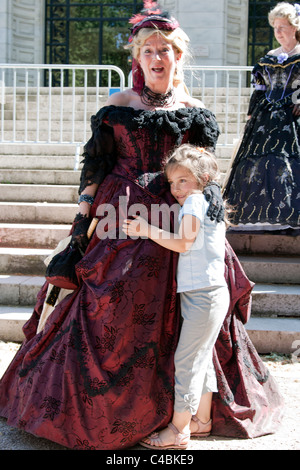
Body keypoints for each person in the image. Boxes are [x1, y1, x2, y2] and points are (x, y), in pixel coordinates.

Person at [0, 3, 283, 450]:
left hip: (174, 220)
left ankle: (180, 415)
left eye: (164, 50)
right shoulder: (118, 105)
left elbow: (205, 173)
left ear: (177, 56)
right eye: (148, 50)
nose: (156, 57)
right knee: (103, 303)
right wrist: (83, 216)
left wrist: (211, 221)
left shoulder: (195, 112)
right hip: (120, 216)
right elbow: (97, 164)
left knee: (181, 313)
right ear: (138, 58)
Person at [122, 144, 230, 450]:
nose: (177, 188)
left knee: (186, 361)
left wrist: (146, 228)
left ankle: (179, 430)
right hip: (208, 292)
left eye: (183, 179)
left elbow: (183, 242)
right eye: (172, 182)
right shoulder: (209, 202)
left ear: (203, 177)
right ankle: (202, 422)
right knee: (201, 357)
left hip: (204, 294)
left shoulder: (195, 201)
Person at [223, 2, 300, 232]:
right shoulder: (270, 56)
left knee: (287, 163)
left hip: (293, 119)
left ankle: (288, 214)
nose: (278, 31)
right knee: (258, 163)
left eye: (283, 26)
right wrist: (251, 117)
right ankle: (262, 217)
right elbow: (258, 90)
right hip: (265, 119)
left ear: (294, 27)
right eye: (275, 27)